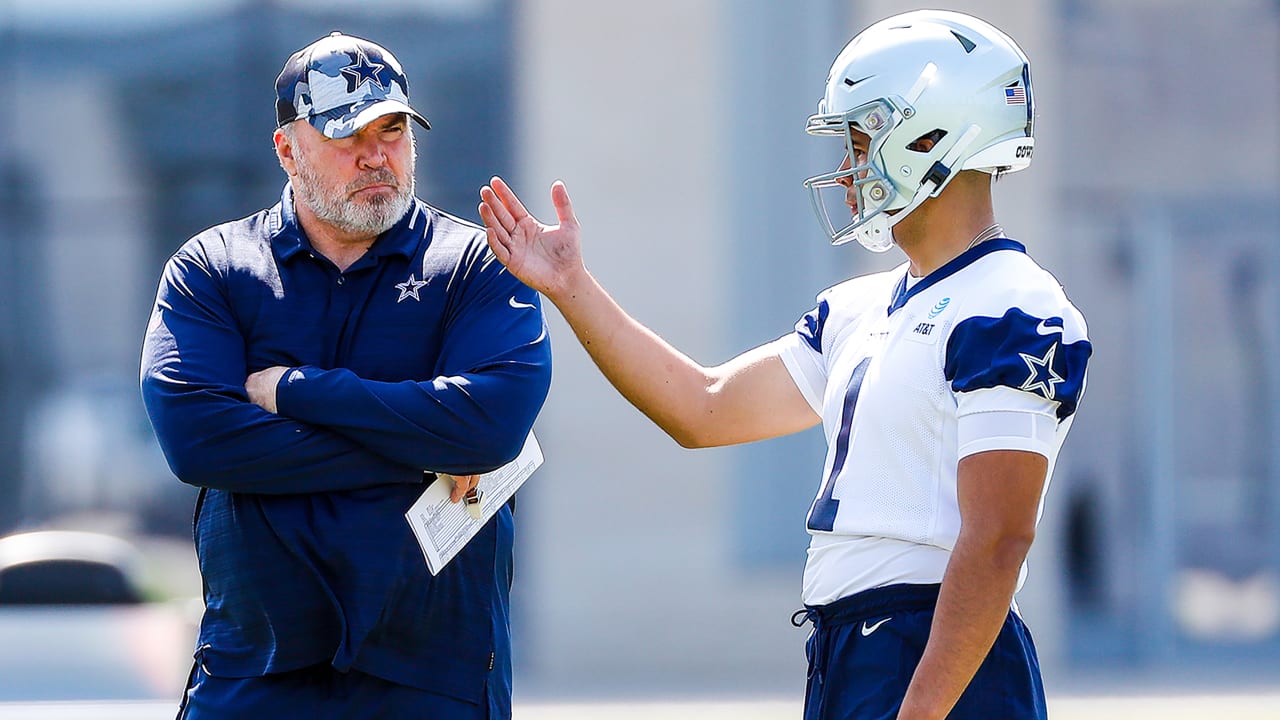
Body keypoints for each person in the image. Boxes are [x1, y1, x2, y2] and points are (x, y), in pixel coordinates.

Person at [479, 10, 1089, 720]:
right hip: (849, 651)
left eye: (862, 137)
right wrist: (571, 287)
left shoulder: (1011, 307)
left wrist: (918, 712)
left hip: (940, 658)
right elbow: (702, 408)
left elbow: (997, 538)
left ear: (933, 135)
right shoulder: (857, 308)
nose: (847, 165)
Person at [140, 31, 551, 720]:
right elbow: (198, 441)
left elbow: (492, 426)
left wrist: (296, 391)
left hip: (435, 671)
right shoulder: (213, 268)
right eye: (345, 133)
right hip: (257, 667)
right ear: (287, 151)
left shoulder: (478, 264)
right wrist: (423, 446)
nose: (375, 155)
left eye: (392, 130)